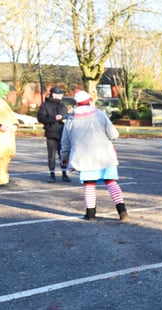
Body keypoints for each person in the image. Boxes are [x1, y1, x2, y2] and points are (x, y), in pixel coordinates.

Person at [60, 91, 128, 222]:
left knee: (89, 185)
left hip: (84, 158)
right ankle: (122, 211)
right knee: (111, 182)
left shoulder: (71, 120)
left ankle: (90, 214)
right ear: (90, 100)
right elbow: (113, 134)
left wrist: (64, 158)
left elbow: (65, 143)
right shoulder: (100, 115)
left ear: (77, 103)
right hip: (104, 156)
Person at [37, 86, 71, 183]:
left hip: (62, 133)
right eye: (60, 93)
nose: (62, 95)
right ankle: (52, 175)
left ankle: (64, 174)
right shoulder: (45, 105)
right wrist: (54, 118)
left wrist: (65, 118)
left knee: (63, 155)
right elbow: (41, 118)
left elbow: (66, 116)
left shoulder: (62, 106)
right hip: (51, 134)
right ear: (54, 94)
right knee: (51, 156)